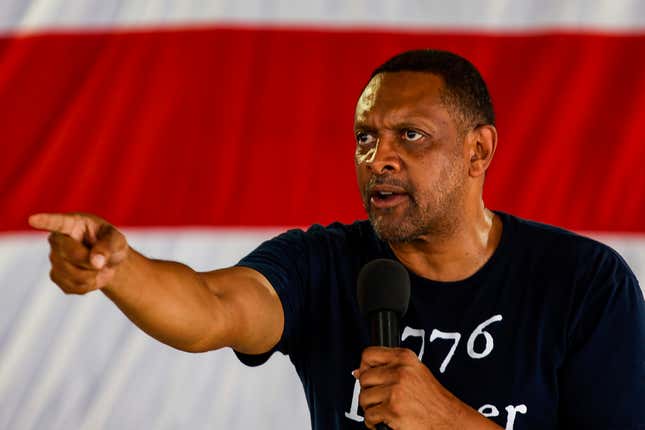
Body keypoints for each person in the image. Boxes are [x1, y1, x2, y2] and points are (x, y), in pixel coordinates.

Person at [29, 49, 644, 430]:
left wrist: (449, 424)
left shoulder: (585, 282)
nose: (379, 159)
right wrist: (119, 267)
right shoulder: (324, 263)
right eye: (364, 138)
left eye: (411, 136)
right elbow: (211, 309)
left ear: (478, 150)